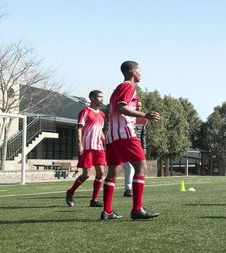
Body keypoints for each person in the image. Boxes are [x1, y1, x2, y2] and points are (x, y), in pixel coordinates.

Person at [101, 60, 160, 220]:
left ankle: (107, 211)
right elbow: (122, 108)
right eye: (139, 70)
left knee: (113, 172)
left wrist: (137, 119)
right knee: (141, 167)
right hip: (125, 134)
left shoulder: (116, 90)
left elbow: (116, 112)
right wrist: (144, 114)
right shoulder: (128, 86)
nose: (141, 73)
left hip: (112, 136)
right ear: (132, 72)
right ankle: (137, 209)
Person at [66, 90, 106, 208]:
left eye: (103, 97)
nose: (102, 99)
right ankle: (70, 192)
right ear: (93, 98)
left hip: (98, 148)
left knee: (101, 172)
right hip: (87, 147)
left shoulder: (102, 114)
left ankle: (94, 200)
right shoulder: (85, 111)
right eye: (100, 97)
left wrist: (105, 142)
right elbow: (79, 128)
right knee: (86, 175)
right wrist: (80, 144)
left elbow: (100, 131)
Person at [123, 101, 148, 197]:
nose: (139, 108)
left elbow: (143, 135)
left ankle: (134, 188)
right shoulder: (127, 117)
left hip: (137, 146)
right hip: (127, 144)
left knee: (139, 168)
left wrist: (144, 147)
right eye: (137, 106)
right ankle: (128, 189)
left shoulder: (142, 120)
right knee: (128, 167)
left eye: (140, 106)